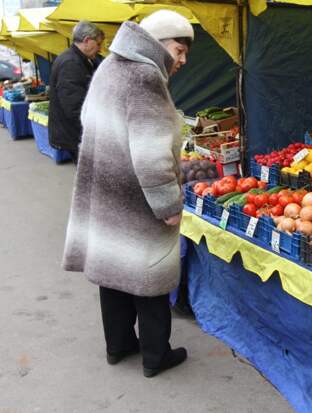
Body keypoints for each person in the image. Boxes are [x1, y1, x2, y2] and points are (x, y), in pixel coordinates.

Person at [61, 10, 193, 378]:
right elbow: (151, 156)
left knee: (113, 271)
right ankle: (156, 356)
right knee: (149, 276)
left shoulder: (108, 68)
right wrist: (168, 205)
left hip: (105, 188)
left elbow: (89, 121)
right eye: (180, 50)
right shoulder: (145, 77)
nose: (181, 60)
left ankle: (118, 346)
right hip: (138, 198)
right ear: (159, 42)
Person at [49, 21, 104, 161]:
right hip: (77, 134)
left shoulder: (80, 59)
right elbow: (74, 107)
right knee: (88, 177)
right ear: (87, 40)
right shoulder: (71, 63)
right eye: (98, 44)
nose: (100, 49)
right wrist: (93, 133)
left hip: (77, 133)